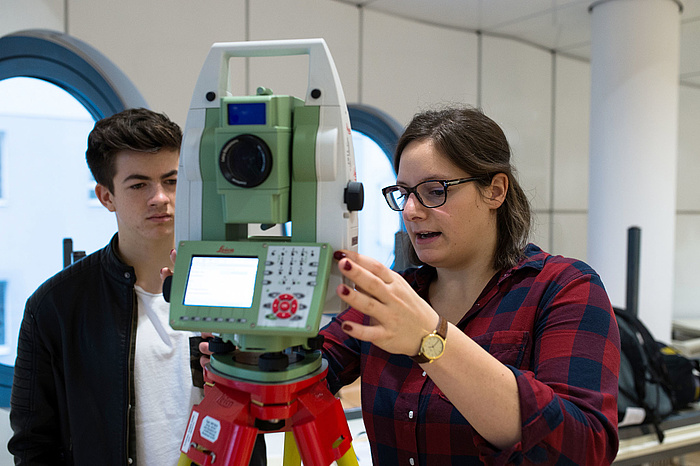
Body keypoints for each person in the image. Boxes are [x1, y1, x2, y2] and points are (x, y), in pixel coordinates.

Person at [320, 106, 621, 464]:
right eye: (404, 192)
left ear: (495, 191)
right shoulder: (394, 298)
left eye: (434, 191)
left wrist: (430, 340)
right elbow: (300, 376)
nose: (411, 211)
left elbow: (584, 449)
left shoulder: (564, 290)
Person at [7, 108, 266, 465]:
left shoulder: (236, 282)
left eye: (172, 181)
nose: (160, 197)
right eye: (139, 184)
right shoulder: (55, 307)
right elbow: (34, 445)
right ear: (106, 196)